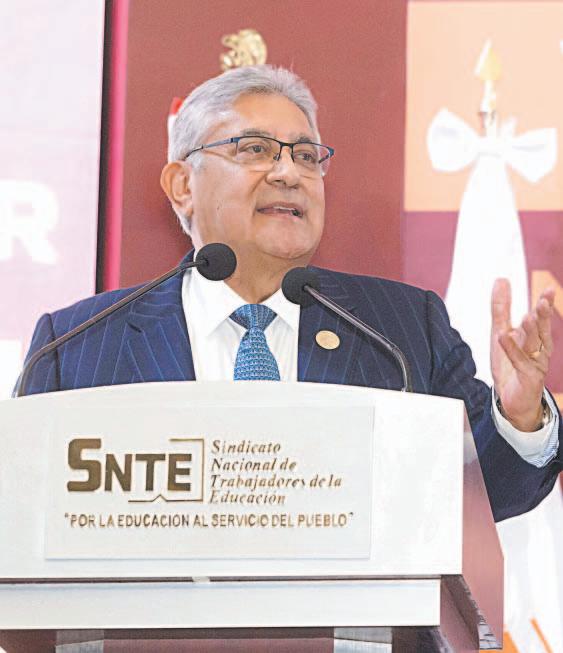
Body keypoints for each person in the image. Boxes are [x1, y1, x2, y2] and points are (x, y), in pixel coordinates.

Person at [23, 65, 561, 522]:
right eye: (255, 149)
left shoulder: (402, 330)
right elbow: (24, 517)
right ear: (183, 185)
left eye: (306, 156)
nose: (288, 173)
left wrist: (518, 416)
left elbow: (487, 497)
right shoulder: (76, 346)